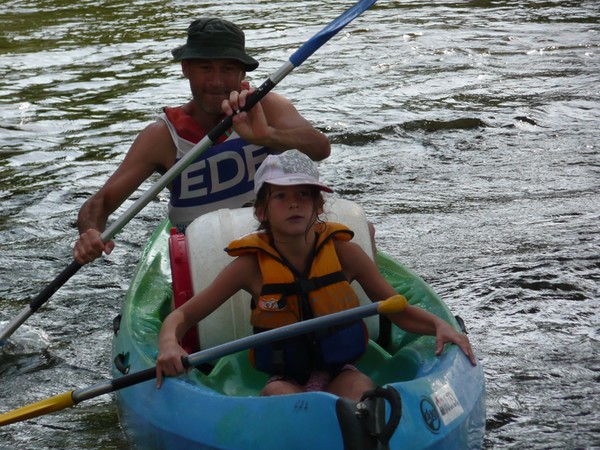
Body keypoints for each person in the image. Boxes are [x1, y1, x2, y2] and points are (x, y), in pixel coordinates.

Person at [155, 150, 476, 401]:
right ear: (262, 211)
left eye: (304, 195)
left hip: (340, 369)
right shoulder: (250, 266)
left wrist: (438, 325)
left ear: (318, 205)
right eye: (280, 196)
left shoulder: (344, 252)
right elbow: (183, 316)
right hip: (284, 377)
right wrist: (169, 343)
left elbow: (399, 311)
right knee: (277, 396)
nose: (294, 203)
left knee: (361, 388)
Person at [73, 18, 330, 264]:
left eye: (227, 69)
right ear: (187, 69)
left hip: (280, 244)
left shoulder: (267, 108)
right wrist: (90, 232)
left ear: (242, 72)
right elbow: (99, 203)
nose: (216, 81)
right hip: (202, 258)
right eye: (206, 68)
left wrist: (268, 136)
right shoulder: (163, 137)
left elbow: (320, 148)